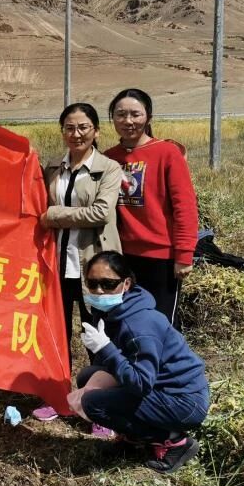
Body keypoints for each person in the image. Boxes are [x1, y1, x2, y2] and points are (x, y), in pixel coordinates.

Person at [66, 251, 209, 474]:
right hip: (160, 387)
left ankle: (173, 441)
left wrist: (105, 348)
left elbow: (140, 383)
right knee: (87, 377)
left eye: (108, 283)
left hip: (183, 401)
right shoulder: (112, 312)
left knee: (94, 402)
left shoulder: (139, 325)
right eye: (92, 284)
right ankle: (134, 438)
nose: (100, 291)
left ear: (126, 283)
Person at [32, 103, 123, 425]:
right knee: (56, 335)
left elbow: (100, 212)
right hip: (57, 266)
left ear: (96, 131)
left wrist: (54, 216)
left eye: (84, 127)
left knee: (95, 336)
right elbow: (36, 204)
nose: (76, 134)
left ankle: (98, 407)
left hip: (93, 268)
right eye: (70, 128)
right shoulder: (54, 167)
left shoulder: (108, 169)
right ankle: (57, 397)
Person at [104, 88, 198, 327]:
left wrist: (184, 254)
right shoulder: (109, 158)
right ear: (112, 118)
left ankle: (167, 366)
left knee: (161, 324)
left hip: (161, 257)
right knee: (128, 322)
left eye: (135, 114)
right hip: (122, 255)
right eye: (121, 114)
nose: (128, 121)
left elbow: (184, 207)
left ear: (148, 117)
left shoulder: (167, 153)